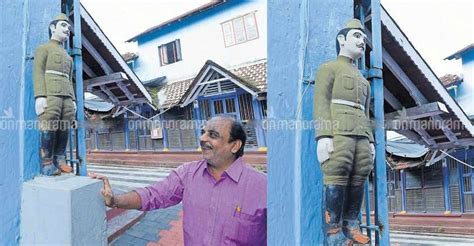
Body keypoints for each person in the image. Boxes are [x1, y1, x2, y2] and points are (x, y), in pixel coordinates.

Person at [90, 116, 267, 245]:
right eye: (203, 132)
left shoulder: (263, 187)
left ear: (234, 145)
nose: (202, 138)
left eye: (212, 135)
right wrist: (114, 200)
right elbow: (153, 195)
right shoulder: (187, 173)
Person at [313, 19, 375, 245]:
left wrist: (370, 141)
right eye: (357, 36)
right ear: (342, 39)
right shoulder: (329, 68)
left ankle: (351, 224)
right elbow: (321, 102)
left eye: (364, 39)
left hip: (360, 133)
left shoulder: (364, 81)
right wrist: (323, 136)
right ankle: (333, 231)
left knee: (360, 177)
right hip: (339, 132)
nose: (362, 42)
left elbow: (366, 113)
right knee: (336, 177)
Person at [34, 13, 76, 176]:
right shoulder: (43, 49)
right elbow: (38, 72)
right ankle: (47, 162)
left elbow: (69, 79)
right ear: (53, 27)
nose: (68, 30)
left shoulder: (68, 57)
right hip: (51, 93)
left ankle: (60, 159)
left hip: (66, 95)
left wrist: (73, 99)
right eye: (63, 26)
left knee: (65, 126)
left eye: (69, 27)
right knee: (49, 125)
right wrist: (40, 96)